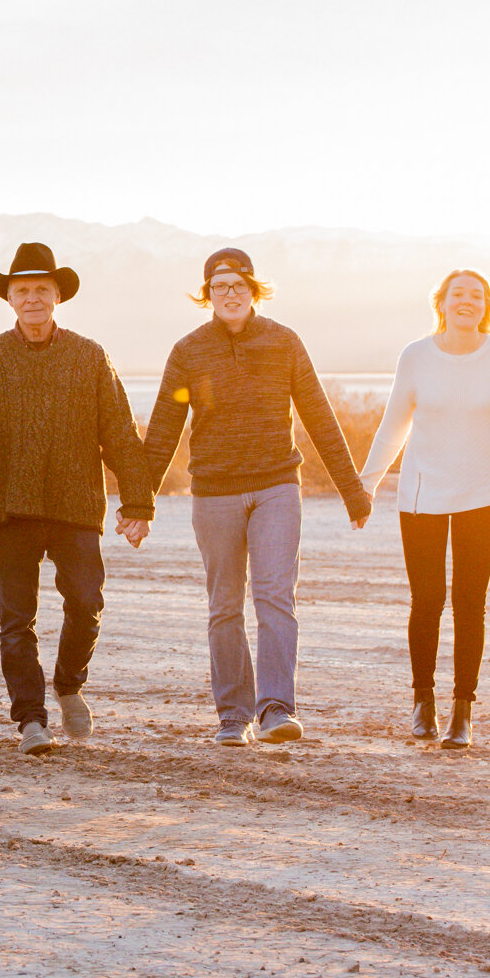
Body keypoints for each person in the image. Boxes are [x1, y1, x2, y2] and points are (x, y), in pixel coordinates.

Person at [138, 249, 371, 747]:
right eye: (218, 284)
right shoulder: (188, 351)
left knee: (273, 596)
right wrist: (140, 505)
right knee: (224, 604)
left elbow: (319, 417)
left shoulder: (284, 342)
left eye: (238, 282)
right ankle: (233, 715)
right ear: (207, 295)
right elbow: (162, 431)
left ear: (254, 289)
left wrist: (351, 489)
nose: (229, 291)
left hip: (276, 488)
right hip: (214, 493)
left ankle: (275, 710)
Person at [0, 243, 153, 756]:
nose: (32, 298)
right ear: (10, 299)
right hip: (8, 510)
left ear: (57, 295)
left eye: (41, 289)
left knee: (86, 603)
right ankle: (31, 720)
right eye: (22, 291)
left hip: (76, 506)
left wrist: (137, 503)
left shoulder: (90, 356)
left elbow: (120, 434)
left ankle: (67, 683)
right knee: (17, 621)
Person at [356, 269, 490, 750]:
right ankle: (424, 702)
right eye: (458, 294)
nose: (467, 301)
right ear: (441, 302)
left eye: (476, 295)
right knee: (427, 600)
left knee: (469, 603)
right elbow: (393, 425)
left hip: (482, 493)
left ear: (487, 306)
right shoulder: (416, 356)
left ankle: (464, 709)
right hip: (422, 496)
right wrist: (366, 485)